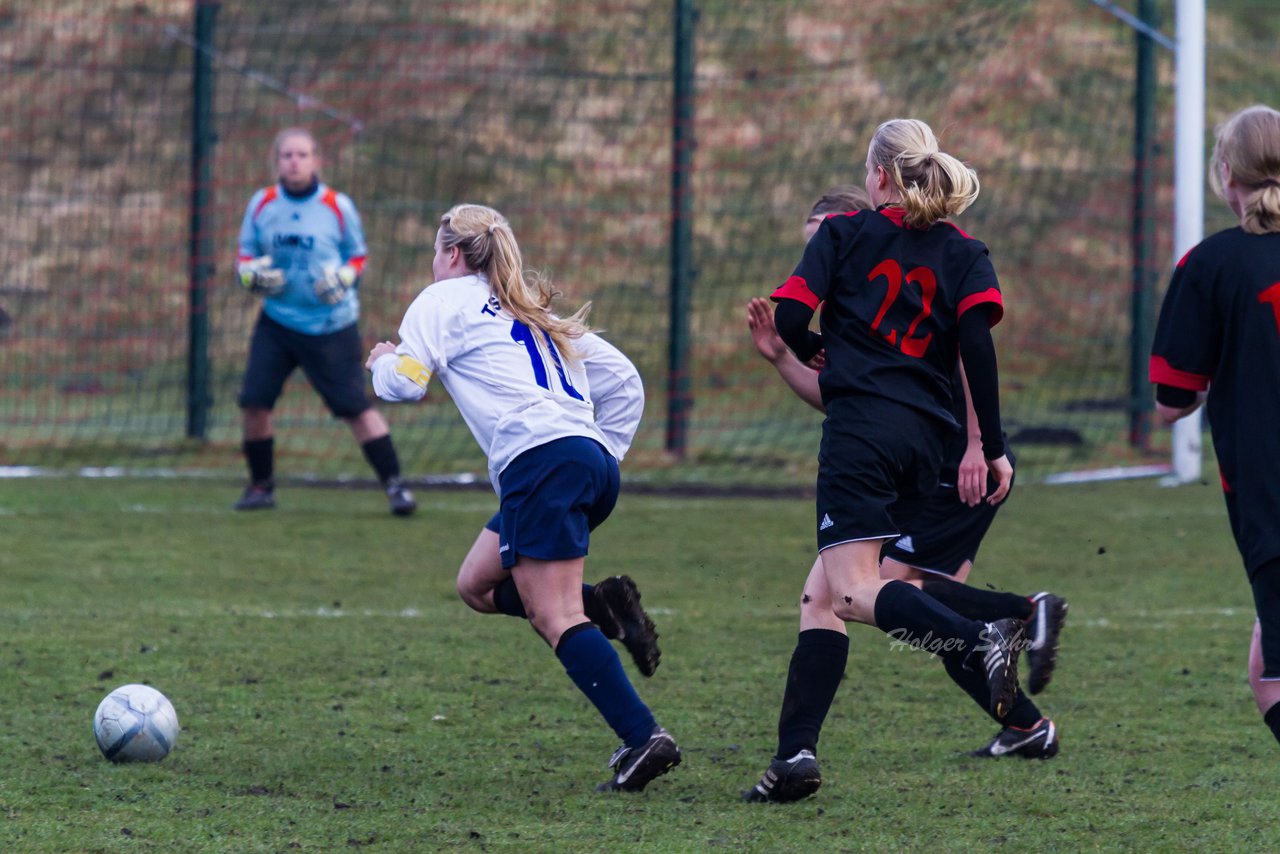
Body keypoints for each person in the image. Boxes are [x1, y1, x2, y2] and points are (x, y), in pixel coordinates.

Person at [744, 118, 1031, 804]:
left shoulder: (844, 234)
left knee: (850, 591)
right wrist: (990, 445)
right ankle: (795, 756)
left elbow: (786, 319)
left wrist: (809, 343)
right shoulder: (964, 249)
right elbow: (977, 352)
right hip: (926, 442)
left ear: (877, 177)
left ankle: (978, 635)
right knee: (822, 595)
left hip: (862, 435)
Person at [366, 203, 680, 792]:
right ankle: (604, 608)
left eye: (436, 253)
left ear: (453, 255)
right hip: (583, 461)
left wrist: (382, 360)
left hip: (543, 463)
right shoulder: (530, 310)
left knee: (552, 614)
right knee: (477, 586)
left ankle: (643, 737)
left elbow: (405, 382)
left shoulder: (442, 299)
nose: (434, 264)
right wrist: (599, 452)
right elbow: (624, 381)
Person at [1150, 104, 1280, 749]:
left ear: (1225, 174)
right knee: (1266, 663)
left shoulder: (1210, 264)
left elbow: (1173, 400)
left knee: (1273, 679)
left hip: (1269, 494)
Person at [233, 127, 416, 517]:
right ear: (277, 161)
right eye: (287, 155)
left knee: (354, 407)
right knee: (254, 402)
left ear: (316, 160)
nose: (294, 162)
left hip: (331, 326)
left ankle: (396, 486)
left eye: (302, 155)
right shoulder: (262, 203)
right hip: (278, 322)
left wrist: (346, 278)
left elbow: (358, 255)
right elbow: (245, 257)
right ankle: (261, 486)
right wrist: (251, 276)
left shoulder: (337, 206)